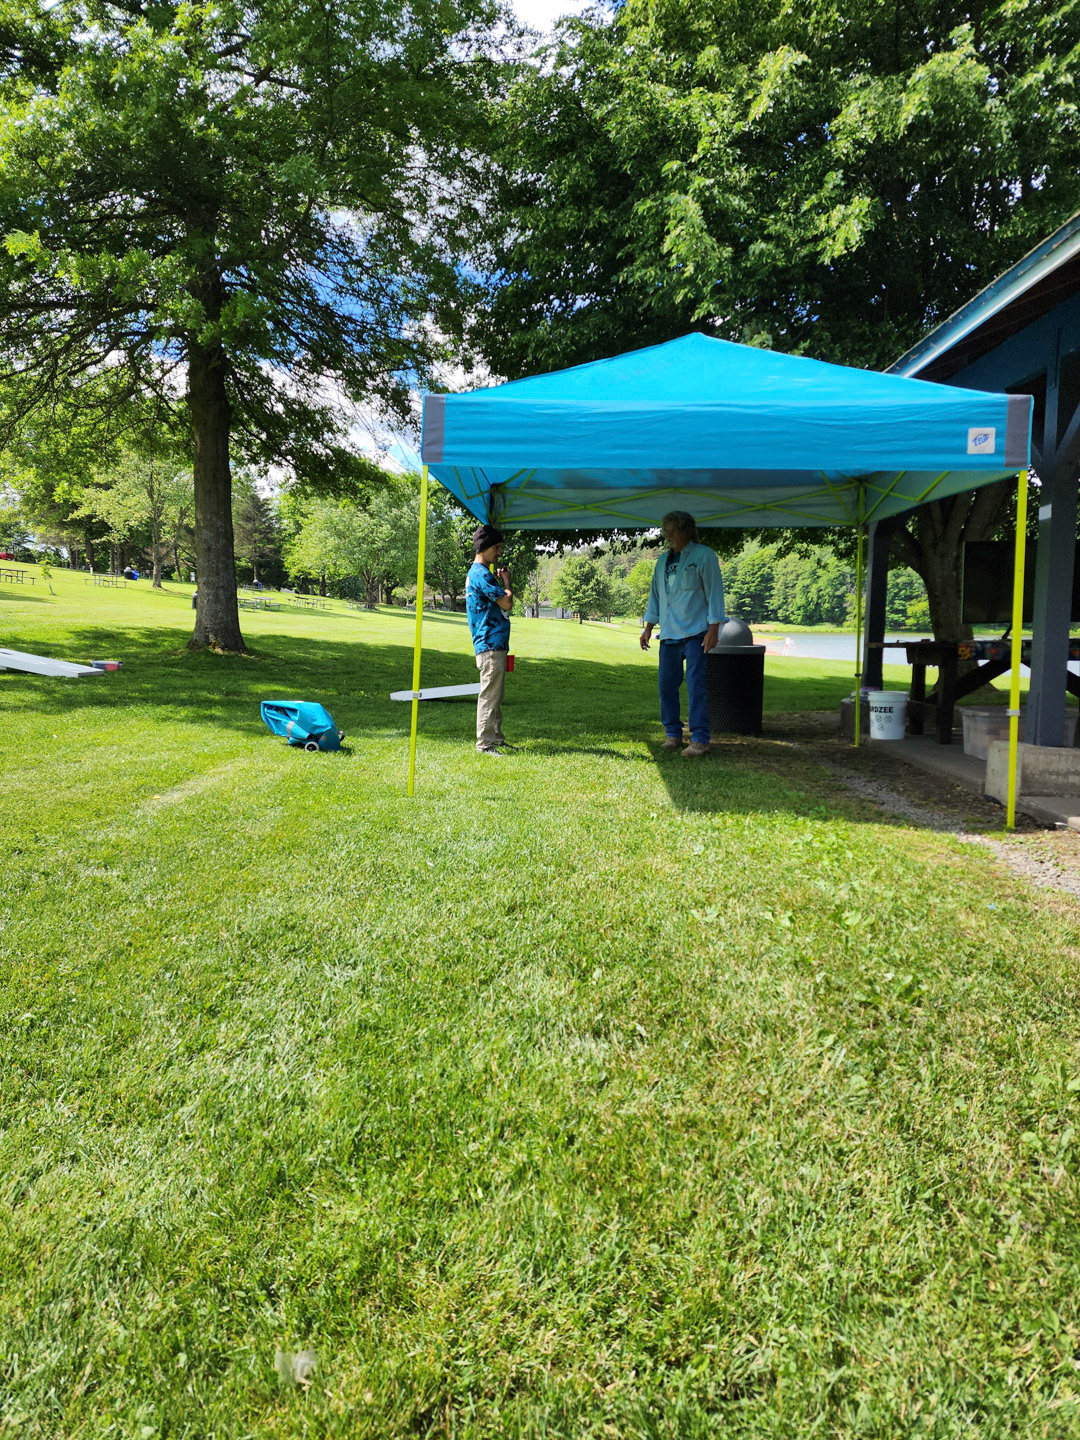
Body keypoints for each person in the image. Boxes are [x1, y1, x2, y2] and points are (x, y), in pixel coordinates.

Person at [640, 511, 725, 757]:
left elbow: (714, 593)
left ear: (686, 531)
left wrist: (714, 629)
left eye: (673, 530)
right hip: (669, 634)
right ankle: (673, 734)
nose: (669, 535)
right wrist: (648, 627)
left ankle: (699, 739)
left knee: (696, 686)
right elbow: (655, 597)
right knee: (666, 686)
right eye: (666, 531)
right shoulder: (662, 562)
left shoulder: (704, 555)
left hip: (697, 632)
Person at [466, 524, 518, 755]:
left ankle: (496, 739)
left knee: (496, 695)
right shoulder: (480, 574)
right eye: (496, 547)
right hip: (489, 643)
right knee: (489, 695)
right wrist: (507, 583)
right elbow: (507, 603)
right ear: (484, 547)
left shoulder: (480, 574)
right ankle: (485, 744)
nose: (499, 552)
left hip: (494, 644)